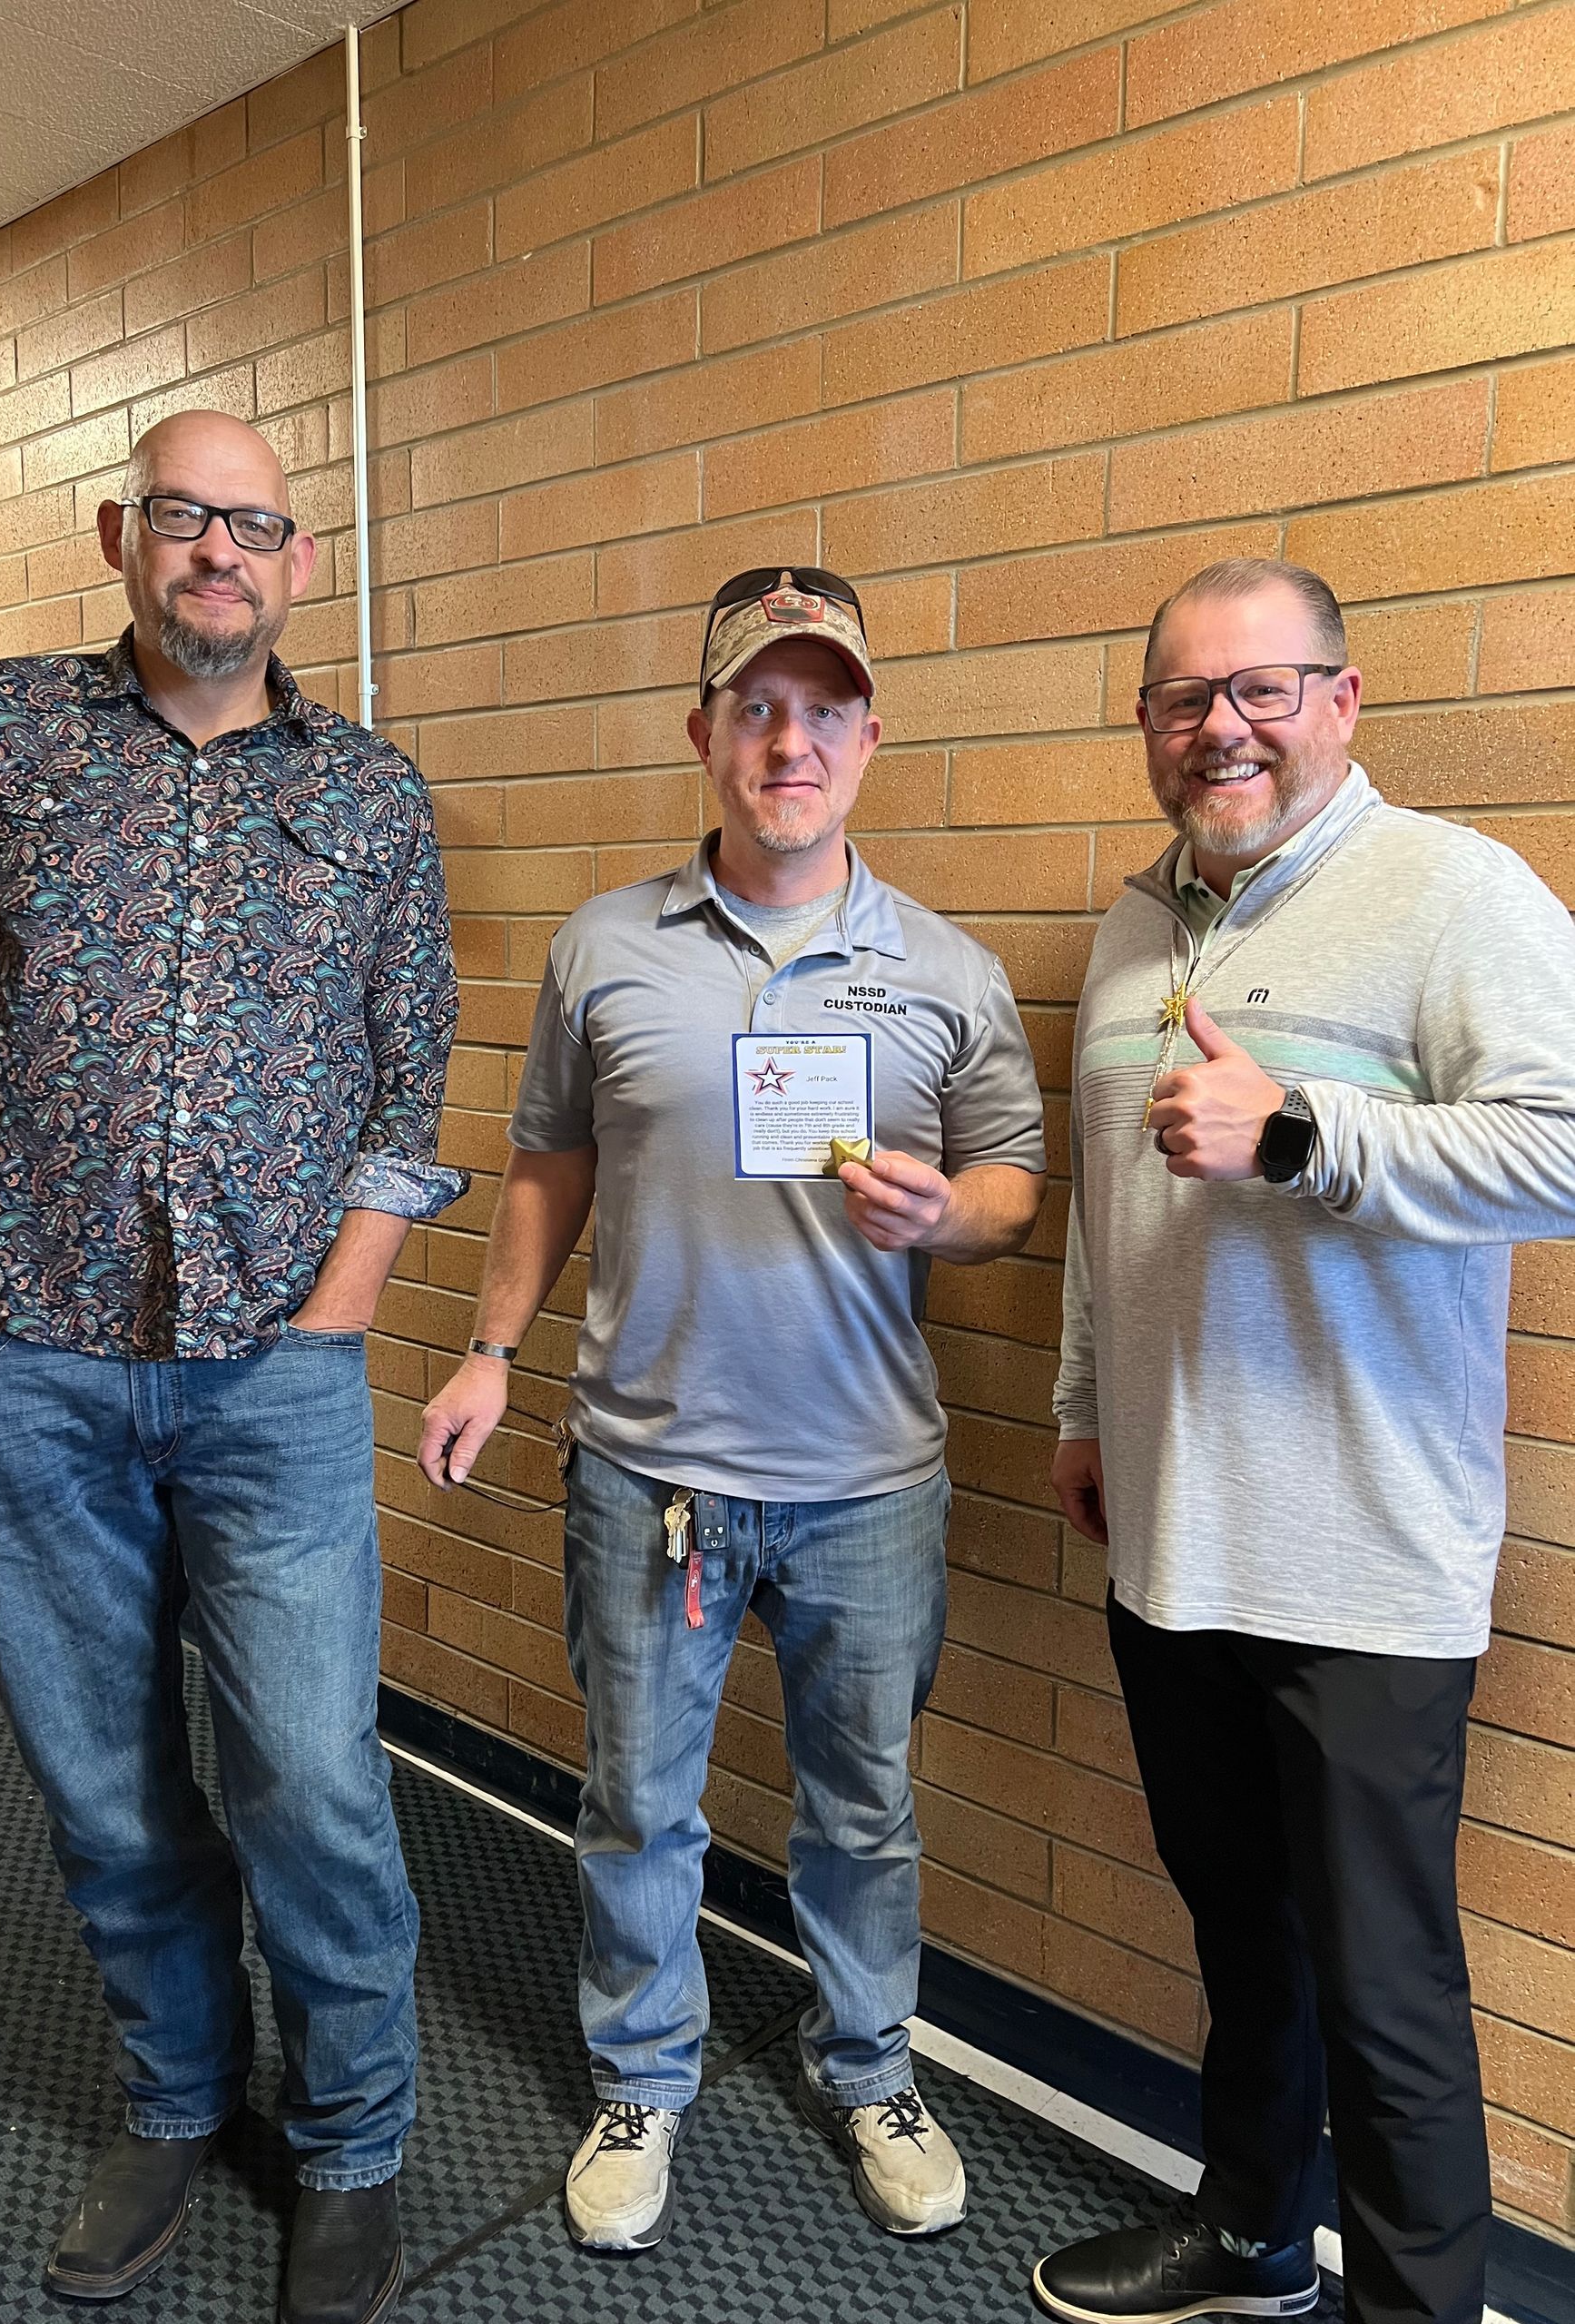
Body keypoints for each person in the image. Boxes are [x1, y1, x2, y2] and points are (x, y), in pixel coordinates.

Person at [0, 410, 467, 2324]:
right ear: (124, 532)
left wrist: (343, 1306)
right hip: (28, 1368)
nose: (220, 552)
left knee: (310, 1778)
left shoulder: (368, 793)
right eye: (187, 515)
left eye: (257, 525)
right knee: (108, 1791)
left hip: (275, 1374)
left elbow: (407, 1067)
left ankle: (351, 2134)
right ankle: (176, 2094)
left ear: (294, 559)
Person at [419, 566, 1047, 2254]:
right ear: (704, 734)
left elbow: (1016, 1185)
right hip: (652, 1469)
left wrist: (954, 1219)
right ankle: (643, 2078)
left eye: (823, 708)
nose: (791, 740)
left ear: (868, 736)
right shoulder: (605, 947)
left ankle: (869, 2067)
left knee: (865, 1807)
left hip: (867, 1480)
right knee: (639, 1800)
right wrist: (491, 1346)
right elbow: (552, 1161)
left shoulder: (944, 969)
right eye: (756, 707)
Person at [1035, 556, 1575, 2324]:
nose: (1224, 726)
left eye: (1264, 688)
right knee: (1240, 1937)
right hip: (1175, 1534)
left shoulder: (1450, 892)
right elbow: (1114, 1206)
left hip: (1363, 1558)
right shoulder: (1138, 921)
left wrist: (1302, 1133)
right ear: (1147, 729)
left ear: (1343, 700)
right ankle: (1255, 2235)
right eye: (1185, 698)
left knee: (1384, 1987)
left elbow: (1563, 1150)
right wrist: (1083, 1407)